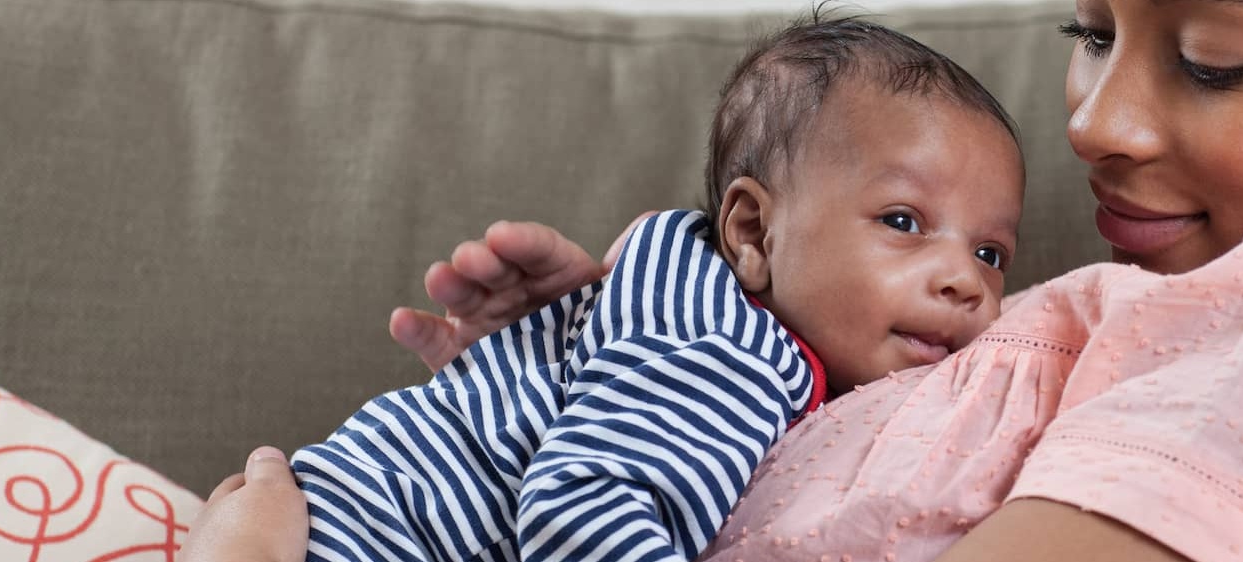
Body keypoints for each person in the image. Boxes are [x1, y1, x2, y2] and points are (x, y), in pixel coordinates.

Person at [184, 0, 1243, 561]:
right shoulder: (1120, 300)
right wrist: (611, 336)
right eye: (1090, 34)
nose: (1096, 125)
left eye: (1210, 61)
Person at [285, 17, 1024, 562]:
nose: (965, 279)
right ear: (753, 233)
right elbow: (578, 508)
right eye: (903, 221)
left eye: (990, 252)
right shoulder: (732, 355)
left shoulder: (693, 293)